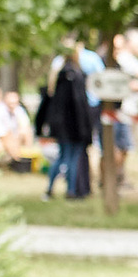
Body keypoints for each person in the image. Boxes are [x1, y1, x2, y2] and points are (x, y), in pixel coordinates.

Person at [36, 38, 95, 199]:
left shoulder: (58, 74)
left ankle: (50, 189)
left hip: (60, 125)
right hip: (73, 125)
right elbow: (79, 104)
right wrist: (85, 127)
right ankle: (70, 190)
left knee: (63, 156)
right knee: (71, 157)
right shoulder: (74, 75)